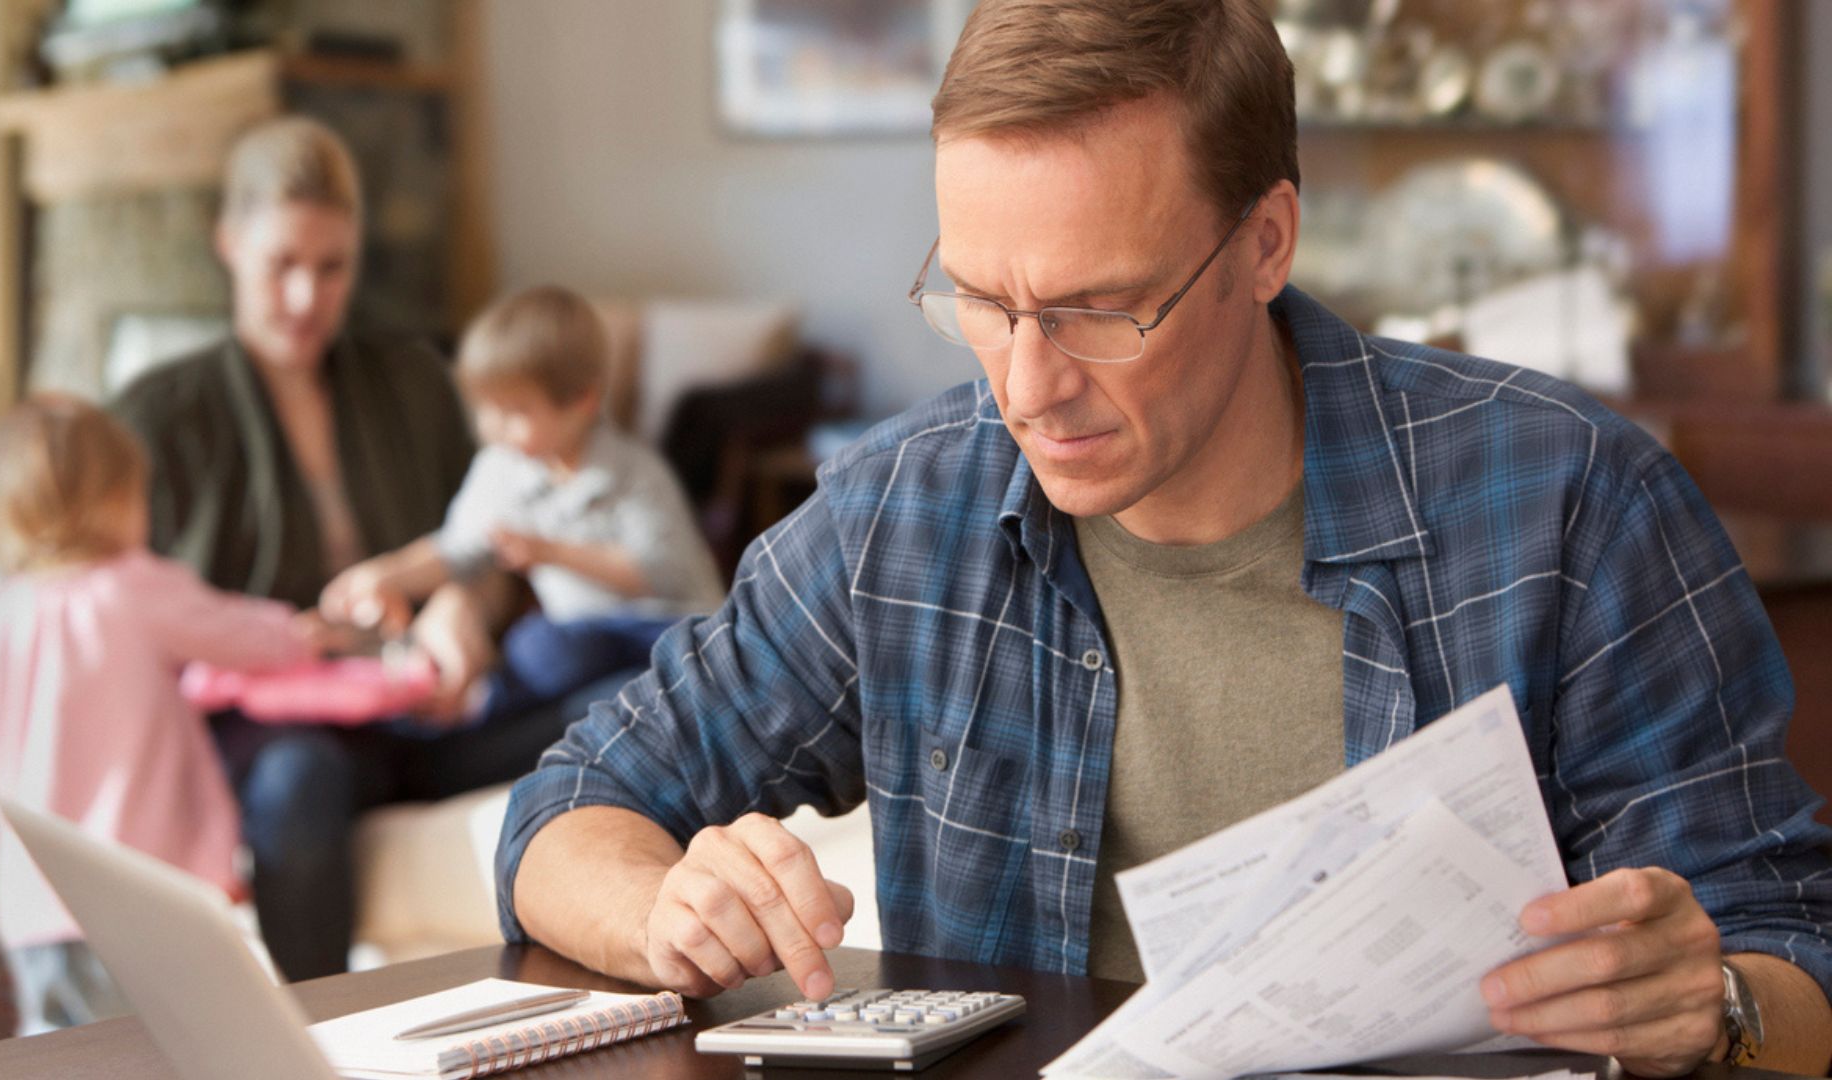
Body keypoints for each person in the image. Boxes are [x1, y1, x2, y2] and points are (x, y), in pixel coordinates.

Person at [496, 1, 1832, 1075]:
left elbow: (1796, 964)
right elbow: (565, 812)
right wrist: (662, 908)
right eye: (978, 297)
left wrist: (1710, 1007)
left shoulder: (1572, 502)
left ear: (1266, 241)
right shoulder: (902, 513)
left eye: (1099, 309)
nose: (1026, 385)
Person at [110, 117, 569, 981]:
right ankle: (318, 1047)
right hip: (268, 730)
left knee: (629, 693)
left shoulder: (414, 384)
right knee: (299, 785)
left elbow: (496, 549)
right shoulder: (158, 418)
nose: (304, 298)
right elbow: (123, 621)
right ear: (229, 242)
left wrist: (461, 608)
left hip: (421, 710)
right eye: (281, 264)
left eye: (332, 268)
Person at [0, 396, 328, 1033]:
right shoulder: (131, 586)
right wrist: (302, 631)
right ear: (116, 502)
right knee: (164, 1047)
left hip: (34, 900)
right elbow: (236, 634)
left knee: (59, 1056)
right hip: (139, 897)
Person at [320, 285, 724, 720]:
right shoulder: (502, 468)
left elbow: (663, 571)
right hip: (585, 641)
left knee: (546, 646)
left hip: (668, 630)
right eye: (484, 409)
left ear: (582, 401)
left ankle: (486, 710)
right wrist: (387, 575)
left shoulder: (634, 473)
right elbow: (457, 549)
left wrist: (551, 551)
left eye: (515, 412)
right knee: (544, 652)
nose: (493, 428)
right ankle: (460, 715)